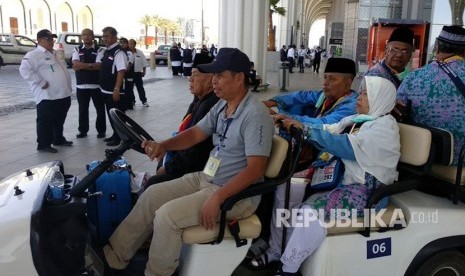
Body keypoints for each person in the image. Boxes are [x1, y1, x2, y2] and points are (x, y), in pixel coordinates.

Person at [102, 48, 275, 276]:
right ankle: (112, 260)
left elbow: (255, 170)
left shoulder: (255, 115)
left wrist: (218, 197)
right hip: (208, 178)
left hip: (235, 195)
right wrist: (163, 145)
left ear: (239, 77)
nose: (214, 81)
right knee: (151, 195)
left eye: (219, 75)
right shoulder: (222, 105)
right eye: (213, 76)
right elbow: (195, 134)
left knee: (167, 216)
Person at [252, 76, 401, 275]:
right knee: (288, 186)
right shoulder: (357, 120)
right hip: (341, 176)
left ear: (380, 99)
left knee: (310, 212)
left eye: (366, 94)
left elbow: (343, 145)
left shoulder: (384, 128)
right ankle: (277, 249)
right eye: (361, 92)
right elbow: (328, 128)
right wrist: (293, 122)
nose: (359, 97)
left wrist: (306, 131)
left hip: (365, 191)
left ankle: (288, 267)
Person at [142, 54, 218, 189]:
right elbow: (189, 134)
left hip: (199, 169)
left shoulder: (211, 105)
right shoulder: (200, 101)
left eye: (195, 75)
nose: (190, 79)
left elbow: (195, 151)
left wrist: (168, 167)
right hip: (190, 162)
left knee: (153, 183)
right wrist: (165, 146)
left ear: (210, 79)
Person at [397, 25, 465, 165]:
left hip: (423, 158)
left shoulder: (414, 77)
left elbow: (397, 110)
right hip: (461, 162)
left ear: (438, 46)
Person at [19, 29, 73, 153]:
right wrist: (40, 82)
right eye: (47, 39)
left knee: (59, 119)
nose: (50, 41)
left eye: (51, 39)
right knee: (45, 120)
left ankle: (58, 139)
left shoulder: (54, 53)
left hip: (62, 94)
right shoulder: (34, 55)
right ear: (39, 40)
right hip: (47, 95)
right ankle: (43, 144)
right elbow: (24, 70)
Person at [263, 58, 358, 126]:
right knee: (296, 104)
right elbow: (302, 96)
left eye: (332, 79)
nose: (325, 83)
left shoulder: (352, 106)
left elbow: (324, 123)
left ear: (347, 84)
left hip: (329, 152)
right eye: (325, 77)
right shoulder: (325, 96)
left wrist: (286, 117)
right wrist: (272, 102)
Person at [96, 26, 128, 147]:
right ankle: (116, 135)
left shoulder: (118, 52)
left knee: (118, 115)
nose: (105, 38)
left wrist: (117, 88)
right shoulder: (107, 51)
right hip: (105, 89)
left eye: (107, 36)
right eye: (103, 36)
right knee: (111, 114)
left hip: (114, 90)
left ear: (115, 36)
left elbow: (121, 71)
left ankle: (121, 137)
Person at [72, 28, 106, 139]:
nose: (86, 37)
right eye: (84, 35)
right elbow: (75, 64)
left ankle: (101, 131)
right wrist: (91, 66)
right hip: (81, 85)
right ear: (81, 37)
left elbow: (99, 65)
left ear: (93, 37)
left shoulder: (100, 50)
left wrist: (82, 65)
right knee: (82, 110)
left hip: (96, 86)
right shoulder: (77, 49)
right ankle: (83, 131)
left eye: (89, 35)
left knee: (100, 110)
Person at [128, 39, 149, 107]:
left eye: (131, 43)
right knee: (130, 88)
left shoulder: (139, 52)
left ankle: (144, 101)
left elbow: (144, 62)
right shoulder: (126, 52)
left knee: (140, 88)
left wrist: (144, 71)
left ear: (134, 44)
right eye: (129, 43)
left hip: (137, 73)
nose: (130, 45)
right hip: (129, 74)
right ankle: (132, 101)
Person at [119, 37, 135, 110]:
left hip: (129, 74)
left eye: (123, 42)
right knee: (123, 90)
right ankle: (125, 104)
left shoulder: (129, 53)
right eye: (120, 42)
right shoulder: (121, 52)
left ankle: (128, 104)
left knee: (128, 90)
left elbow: (129, 66)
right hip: (123, 74)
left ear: (127, 43)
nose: (122, 44)